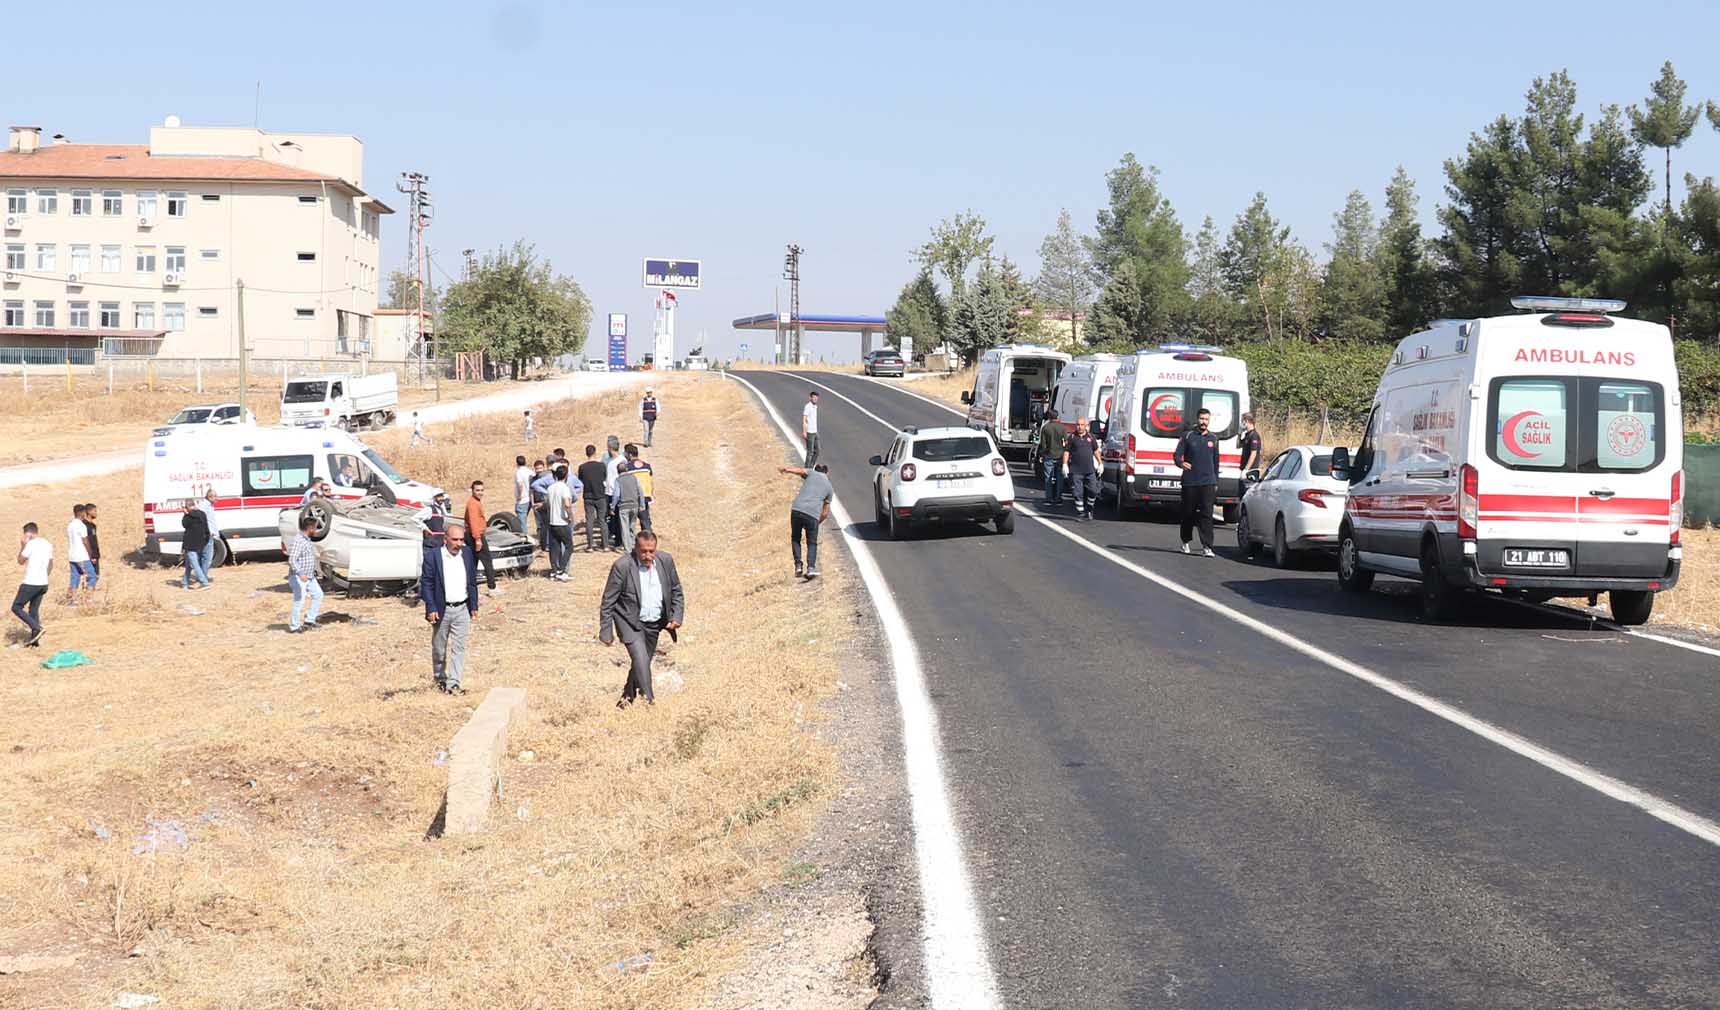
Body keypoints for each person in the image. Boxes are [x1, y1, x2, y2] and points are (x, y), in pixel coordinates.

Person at [598, 530, 684, 708]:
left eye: (651, 551)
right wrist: (606, 631)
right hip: (629, 622)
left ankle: (626, 699)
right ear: (635, 548)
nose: (647, 555)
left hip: (654, 623)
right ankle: (649, 703)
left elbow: (676, 590)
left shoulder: (665, 561)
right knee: (642, 660)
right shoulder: (622, 566)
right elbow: (608, 600)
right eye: (643, 551)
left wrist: (676, 616)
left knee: (641, 662)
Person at [423, 519, 479, 695]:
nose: (459, 544)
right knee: (439, 648)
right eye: (455, 540)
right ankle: (440, 678)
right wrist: (431, 607)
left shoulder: (467, 554)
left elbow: (472, 581)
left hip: (462, 608)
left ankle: (453, 682)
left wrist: (474, 605)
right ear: (445, 538)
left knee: (459, 647)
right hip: (442, 610)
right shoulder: (434, 556)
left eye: (461, 540)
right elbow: (426, 583)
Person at [1174, 407, 1221, 557]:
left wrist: (1215, 482)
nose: (1203, 422)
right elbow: (1176, 455)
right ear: (1197, 419)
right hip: (1190, 482)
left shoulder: (1213, 439)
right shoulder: (1187, 436)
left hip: (1207, 482)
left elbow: (1216, 462)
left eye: (1206, 419)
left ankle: (1207, 546)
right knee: (1188, 513)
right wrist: (1181, 463)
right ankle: (1185, 541)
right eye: (1201, 419)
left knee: (1207, 514)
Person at [778, 463, 832, 579]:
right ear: (827, 473)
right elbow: (825, 512)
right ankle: (811, 568)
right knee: (811, 542)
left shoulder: (811, 473)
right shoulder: (829, 487)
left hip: (796, 509)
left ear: (815, 469)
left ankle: (798, 565)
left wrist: (786, 469)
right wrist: (817, 522)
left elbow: (799, 471)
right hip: (812, 514)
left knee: (795, 538)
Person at [13, 522, 51, 647]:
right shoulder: (47, 544)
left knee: (16, 607)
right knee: (33, 610)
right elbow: (51, 563)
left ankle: (37, 627)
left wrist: (23, 545)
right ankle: (35, 642)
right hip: (43, 583)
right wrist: (45, 576)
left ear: (28, 533)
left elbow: (20, 561)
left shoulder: (30, 544)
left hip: (31, 582)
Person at [285, 514, 322, 633]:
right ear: (310, 528)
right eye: (315, 528)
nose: (316, 530)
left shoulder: (306, 540)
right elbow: (292, 559)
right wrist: (300, 573)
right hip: (299, 577)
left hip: (309, 576)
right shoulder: (299, 540)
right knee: (299, 601)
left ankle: (309, 621)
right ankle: (295, 627)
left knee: (318, 595)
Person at [1061, 418, 1102, 521]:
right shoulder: (1072, 437)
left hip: (1089, 470)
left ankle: (1089, 509)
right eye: (1078, 425)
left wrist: (1100, 463)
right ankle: (1080, 513)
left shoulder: (1091, 437)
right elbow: (1067, 452)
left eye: (1082, 425)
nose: (1079, 427)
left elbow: (1096, 451)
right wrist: (1065, 464)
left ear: (1086, 426)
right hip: (1076, 471)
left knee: (1093, 490)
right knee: (1077, 493)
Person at [464, 480, 500, 595]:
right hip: (475, 535)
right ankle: (492, 587)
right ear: (472, 490)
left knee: (473, 562)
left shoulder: (475, 502)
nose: (480, 492)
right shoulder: (473, 504)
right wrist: (478, 539)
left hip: (473, 535)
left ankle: (471, 588)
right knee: (487, 561)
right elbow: (474, 522)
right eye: (477, 490)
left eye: (481, 490)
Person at [613, 444, 648, 552]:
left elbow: (616, 495)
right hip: (634, 505)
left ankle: (628, 549)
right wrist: (642, 504)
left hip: (624, 507)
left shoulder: (618, 480)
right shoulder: (634, 478)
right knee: (632, 526)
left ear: (618, 471)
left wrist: (612, 507)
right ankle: (633, 545)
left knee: (625, 528)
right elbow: (640, 491)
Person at [578, 445, 613, 552]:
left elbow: (581, 480)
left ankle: (590, 546)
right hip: (600, 495)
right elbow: (605, 477)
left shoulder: (582, 467)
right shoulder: (602, 466)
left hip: (588, 496)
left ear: (586, 453)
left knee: (589, 521)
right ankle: (606, 545)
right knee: (602, 520)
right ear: (595, 452)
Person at [544, 465, 575, 581]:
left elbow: (547, 504)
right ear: (566, 476)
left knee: (554, 547)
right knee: (569, 546)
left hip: (552, 522)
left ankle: (554, 570)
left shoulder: (550, 488)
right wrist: (569, 516)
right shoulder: (565, 488)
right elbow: (567, 504)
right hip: (562, 522)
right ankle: (562, 570)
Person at [1038, 410, 1068, 504]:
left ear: (1049, 417)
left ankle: (1049, 498)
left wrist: (1042, 455)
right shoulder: (1062, 428)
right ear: (1057, 417)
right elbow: (1066, 442)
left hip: (1049, 455)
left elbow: (1043, 444)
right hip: (1060, 455)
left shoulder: (1045, 428)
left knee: (1048, 478)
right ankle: (1058, 498)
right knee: (1060, 478)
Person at [66, 504, 96, 599]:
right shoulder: (81, 526)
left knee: (75, 578)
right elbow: (85, 541)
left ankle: (72, 600)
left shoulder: (70, 525)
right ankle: (89, 599)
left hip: (72, 556)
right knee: (92, 576)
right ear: (82, 513)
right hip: (82, 556)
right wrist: (90, 554)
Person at [180, 502, 212, 589]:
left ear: (187, 507)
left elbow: (184, 524)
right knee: (189, 564)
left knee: (194, 564)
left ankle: (204, 582)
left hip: (190, 544)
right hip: (200, 543)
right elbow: (206, 529)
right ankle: (184, 582)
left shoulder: (188, 516)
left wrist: (185, 514)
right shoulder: (202, 514)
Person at [530, 459, 556, 552]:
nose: (539, 470)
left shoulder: (547, 478)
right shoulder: (533, 479)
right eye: (537, 468)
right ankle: (543, 544)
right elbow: (531, 491)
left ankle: (548, 544)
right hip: (537, 503)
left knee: (548, 524)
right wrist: (532, 503)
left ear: (544, 468)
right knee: (540, 526)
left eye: (540, 468)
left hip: (545, 503)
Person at [197, 488, 221, 581]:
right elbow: (200, 520)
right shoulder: (204, 506)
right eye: (215, 496)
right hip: (206, 535)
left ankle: (202, 576)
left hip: (208, 534)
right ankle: (203, 577)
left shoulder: (209, 506)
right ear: (210, 497)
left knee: (205, 557)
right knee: (207, 558)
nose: (217, 498)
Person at [1238, 412, 1263, 480]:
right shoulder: (1247, 435)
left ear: (1246, 421)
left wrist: (1246, 469)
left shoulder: (1254, 435)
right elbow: (1238, 445)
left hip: (1250, 470)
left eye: (1242, 421)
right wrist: (1239, 434)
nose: (1241, 424)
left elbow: (1253, 453)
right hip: (1245, 469)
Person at [513, 454, 533, 532]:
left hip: (523, 499)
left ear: (517, 463)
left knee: (521, 521)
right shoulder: (530, 471)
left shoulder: (519, 472)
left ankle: (525, 537)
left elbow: (520, 484)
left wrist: (519, 496)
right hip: (530, 498)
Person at [82, 503, 101, 580]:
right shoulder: (84, 525)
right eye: (95, 511)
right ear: (89, 512)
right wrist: (91, 556)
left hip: (95, 555)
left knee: (96, 577)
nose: (96, 513)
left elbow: (94, 541)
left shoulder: (93, 525)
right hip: (89, 556)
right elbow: (87, 541)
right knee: (90, 578)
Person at [801, 391, 821, 467]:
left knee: (818, 450)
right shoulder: (808, 406)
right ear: (810, 398)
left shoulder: (815, 406)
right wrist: (804, 431)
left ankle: (811, 466)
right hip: (809, 432)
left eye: (817, 398)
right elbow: (804, 419)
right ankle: (806, 469)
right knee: (810, 452)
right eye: (814, 397)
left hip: (815, 432)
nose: (815, 399)